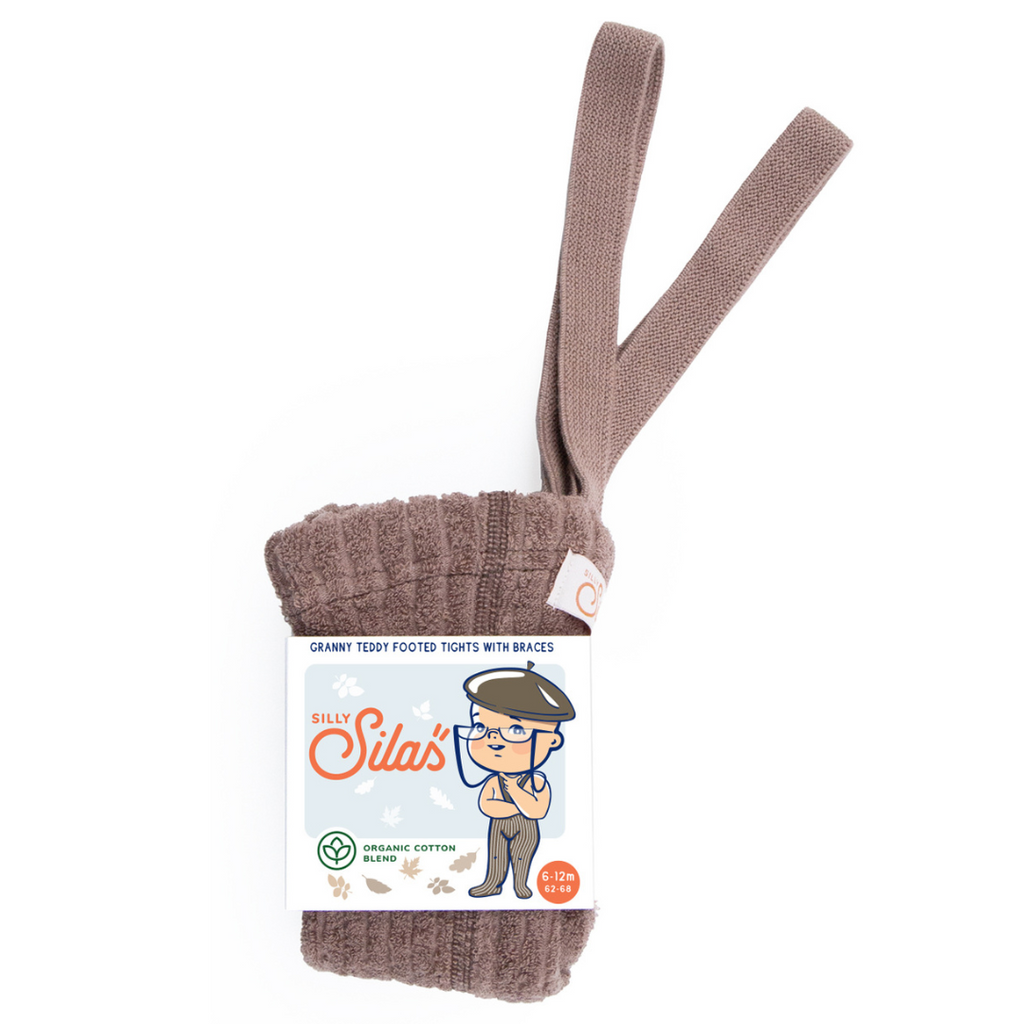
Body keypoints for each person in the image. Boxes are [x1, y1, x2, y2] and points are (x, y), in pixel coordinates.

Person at [454, 661, 574, 899]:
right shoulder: (493, 781)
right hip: (498, 825)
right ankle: (492, 883)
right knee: (496, 855)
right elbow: (487, 805)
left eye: (516, 730)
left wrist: (516, 793)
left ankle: (521, 884)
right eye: (480, 726)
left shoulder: (537, 782)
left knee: (522, 855)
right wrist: (518, 806)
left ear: (552, 741)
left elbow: (538, 811)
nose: (493, 739)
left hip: (526, 829)